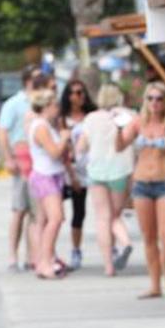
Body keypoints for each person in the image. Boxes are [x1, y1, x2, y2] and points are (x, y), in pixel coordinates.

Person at [117, 82, 165, 299]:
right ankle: (154, 284)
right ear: (145, 100)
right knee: (148, 237)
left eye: (159, 98)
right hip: (142, 183)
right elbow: (119, 146)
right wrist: (116, 129)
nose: (154, 102)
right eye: (150, 98)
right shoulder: (136, 124)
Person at [77, 84, 134, 276]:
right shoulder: (128, 115)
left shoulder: (91, 118)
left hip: (96, 172)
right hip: (120, 171)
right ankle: (125, 242)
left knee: (103, 217)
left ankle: (108, 266)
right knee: (115, 215)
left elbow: (81, 146)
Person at [0, 65, 42, 270]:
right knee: (19, 210)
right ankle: (12, 256)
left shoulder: (42, 103)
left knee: (36, 213)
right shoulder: (15, 104)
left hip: (39, 163)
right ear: (27, 81)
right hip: (21, 161)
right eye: (37, 79)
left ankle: (32, 256)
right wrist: (8, 158)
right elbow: (2, 132)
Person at [28, 88, 71, 279]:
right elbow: (54, 152)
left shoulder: (46, 124)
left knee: (45, 220)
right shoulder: (41, 127)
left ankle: (46, 259)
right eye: (55, 105)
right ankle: (44, 262)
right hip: (45, 176)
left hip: (52, 174)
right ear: (45, 107)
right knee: (56, 218)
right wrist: (63, 139)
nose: (58, 109)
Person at [60, 79, 97, 270]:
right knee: (55, 213)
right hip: (68, 169)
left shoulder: (91, 116)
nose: (79, 96)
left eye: (82, 92)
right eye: (75, 93)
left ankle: (76, 249)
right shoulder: (62, 118)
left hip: (90, 168)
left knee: (80, 211)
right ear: (68, 96)